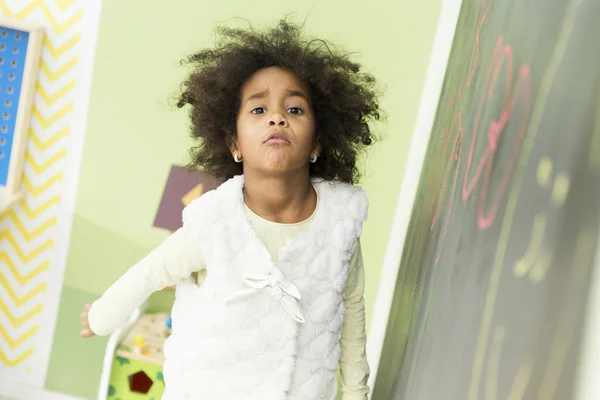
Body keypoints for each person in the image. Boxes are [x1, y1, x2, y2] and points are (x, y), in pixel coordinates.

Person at [80, 18, 382, 400]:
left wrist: (357, 392)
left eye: (295, 109)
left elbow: (351, 310)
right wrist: (100, 317)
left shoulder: (340, 226)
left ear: (318, 143)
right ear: (235, 145)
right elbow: (149, 273)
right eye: (258, 111)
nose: (277, 117)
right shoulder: (213, 224)